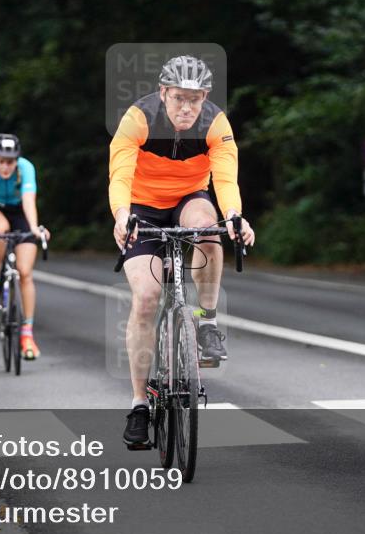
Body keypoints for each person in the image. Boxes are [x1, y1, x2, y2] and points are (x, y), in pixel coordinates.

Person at [108, 55, 256, 446]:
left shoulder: (215, 122)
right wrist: (122, 215)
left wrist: (235, 215)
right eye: (179, 98)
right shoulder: (138, 118)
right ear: (163, 93)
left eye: (196, 98)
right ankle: (140, 404)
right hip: (142, 207)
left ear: (205, 96)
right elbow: (120, 173)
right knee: (146, 297)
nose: (187, 107)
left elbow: (225, 177)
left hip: (190, 199)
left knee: (210, 227)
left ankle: (206, 322)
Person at [0, 134, 50, 360]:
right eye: (1, 161)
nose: (6, 167)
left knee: (25, 273)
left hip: (20, 212)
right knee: (0, 228)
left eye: (10, 161)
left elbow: (29, 200)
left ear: (17, 160)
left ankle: (27, 333)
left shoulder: (26, 167)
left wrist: (35, 228)